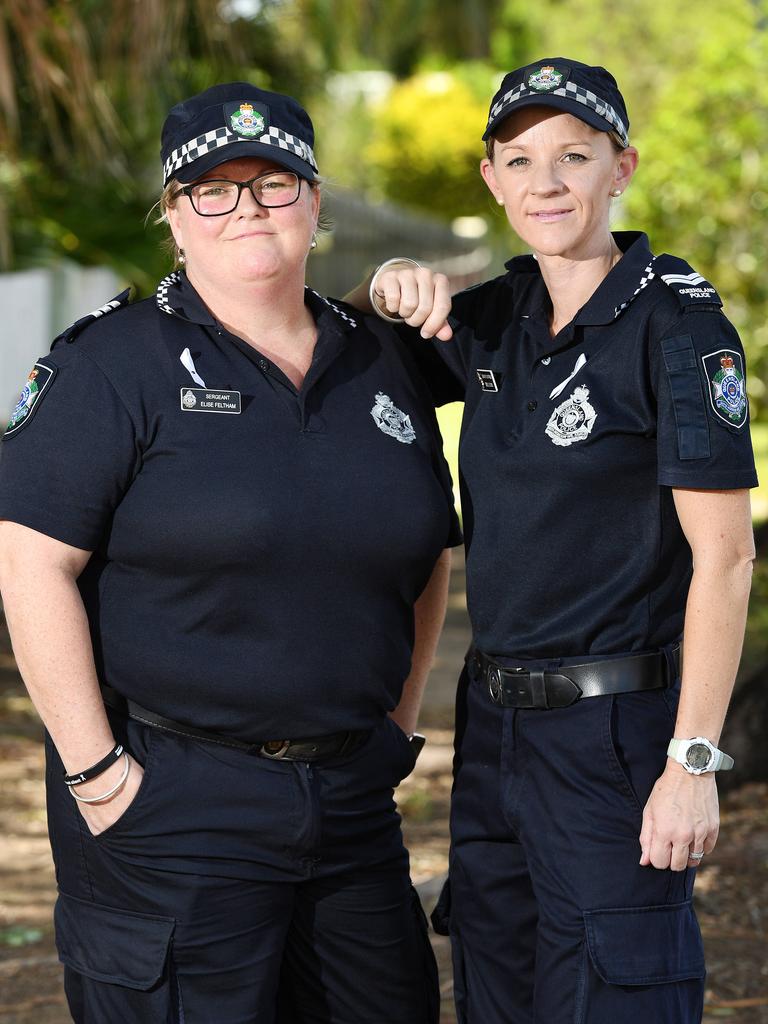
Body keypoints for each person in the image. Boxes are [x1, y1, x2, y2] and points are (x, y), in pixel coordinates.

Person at [0, 82, 462, 1023]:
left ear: (317, 201)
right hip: (171, 798)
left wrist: (398, 725)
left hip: (350, 803)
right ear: (174, 217)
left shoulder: (382, 360)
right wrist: (97, 774)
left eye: (273, 183)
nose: (246, 208)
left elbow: (423, 553)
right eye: (212, 189)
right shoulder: (111, 365)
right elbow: (29, 564)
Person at [347, 57, 757, 1023]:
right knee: (494, 978)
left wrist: (691, 764)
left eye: (575, 155)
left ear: (623, 167)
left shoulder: (678, 329)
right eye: (520, 159)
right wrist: (387, 282)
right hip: (493, 727)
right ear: (490, 178)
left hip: (615, 734)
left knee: (615, 990)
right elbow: (341, 364)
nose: (547, 182)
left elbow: (727, 558)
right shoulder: (493, 317)